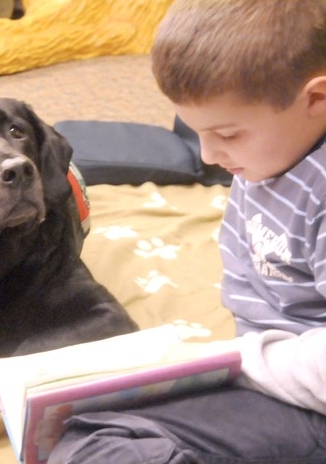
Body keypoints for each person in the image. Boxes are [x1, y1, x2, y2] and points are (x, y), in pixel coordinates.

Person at [47, 1, 326, 463]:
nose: (210, 154)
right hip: (272, 372)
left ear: (317, 100)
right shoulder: (271, 154)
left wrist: (239, 363)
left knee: (98, 446)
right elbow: (246, 284)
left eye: (230, 134)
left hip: (305, 396)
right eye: (197, 132)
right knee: (84, 419)